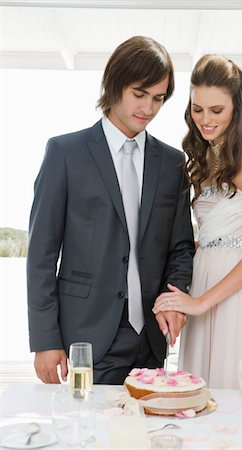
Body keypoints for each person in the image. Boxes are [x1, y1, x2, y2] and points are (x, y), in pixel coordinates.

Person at [27, 35, 195, 385]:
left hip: (150, 339)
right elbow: (42, 254)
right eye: (139, 94)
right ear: (114, 84)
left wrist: (174, 300)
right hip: (86, 339)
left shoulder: (173, 164)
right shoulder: (64, 154)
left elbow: (180, 249)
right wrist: (46, 340)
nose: (148, 108)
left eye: (158, 98)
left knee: (147, 437)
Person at [152, 54, 242, 388]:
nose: (205, 120)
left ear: (237, 106)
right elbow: (211, 236)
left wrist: (200, 303)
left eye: (217, 110)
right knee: (203, 395)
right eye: (197, 109)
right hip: (204, 282)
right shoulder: (203, 156)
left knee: (239, 390)